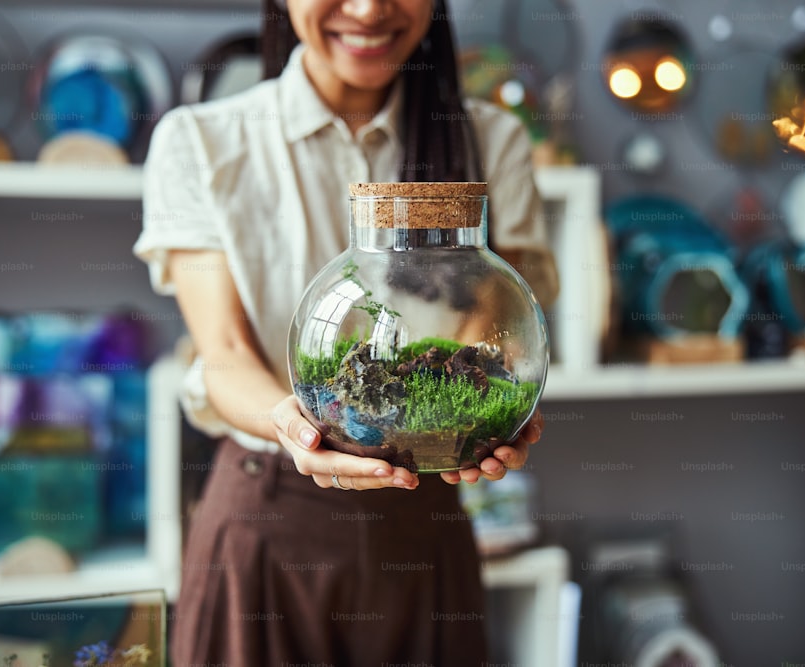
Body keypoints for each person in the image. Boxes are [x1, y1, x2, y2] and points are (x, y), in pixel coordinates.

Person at [133, 0, 560, 664]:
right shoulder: (201, 141)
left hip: (425, 511)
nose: (367, 9)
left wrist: (486, 410)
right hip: (267, 519)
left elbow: (494, 330)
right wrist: (292, 423)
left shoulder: (490, 139)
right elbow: (223, 353)